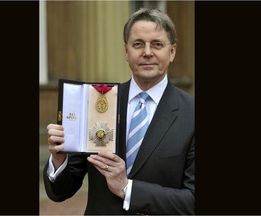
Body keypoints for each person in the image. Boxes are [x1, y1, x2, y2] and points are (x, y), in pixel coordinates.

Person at [44, 8, 195, 215]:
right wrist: (59, 159)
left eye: (157, 44)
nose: (147, 52)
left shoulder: (192, 114)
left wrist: (128, 189)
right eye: (138, 44)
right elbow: (60, 192)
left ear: (172, 51)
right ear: (126, 51)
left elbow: (193, 201)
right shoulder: (97, 100)